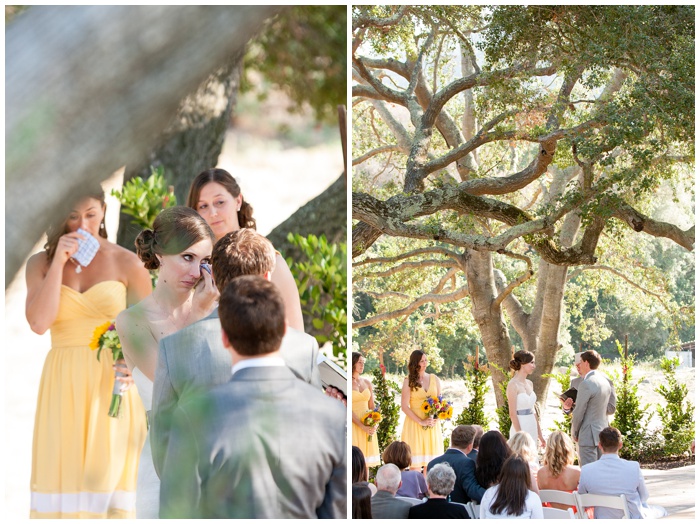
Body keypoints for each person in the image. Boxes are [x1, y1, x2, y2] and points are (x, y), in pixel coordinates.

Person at [159, 276, 346, 518]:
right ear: (283, 331)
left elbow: (176, 513)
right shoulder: (331, 414)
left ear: (224, 337)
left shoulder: (195, 415)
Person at [150, 228, 321, 477]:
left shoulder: (175, 347)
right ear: (267, 276)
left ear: (215, 278)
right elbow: (312, 437)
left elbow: (162, 444)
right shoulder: (302, 347)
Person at [26, 186, 152, 518]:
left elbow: (151, 332)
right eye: (72, 216)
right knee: (62, 479)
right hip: (62, 384)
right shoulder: (39, 264)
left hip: (111, 384)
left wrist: (131, 360)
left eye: (91, 215)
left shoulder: (128, 262)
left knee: (109, 484)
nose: (83, 225)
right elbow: (39, 323)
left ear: (104, 212)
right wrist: (58, 264)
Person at [115, 206, 218, 518]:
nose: (195, 271)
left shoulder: (219, 308)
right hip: (166, 462)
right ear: (159, 255)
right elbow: (176, 384)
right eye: (187, 257)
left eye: (204, 261)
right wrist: (198, 317)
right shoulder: (131, 321)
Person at [187, 167, 304, 331]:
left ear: (238, 201)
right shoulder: (191, 266)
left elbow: (296, 334)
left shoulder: (271, 262)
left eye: (220, 202)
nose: (213, 212)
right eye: (203, 206)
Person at [578, 426, 666, 519]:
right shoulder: (633, 467)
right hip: (631, 517)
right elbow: (644, 496)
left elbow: (583, 499)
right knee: (661, 510)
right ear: (620, 445)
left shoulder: (586, 470)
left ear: (600, 445)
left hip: (602, 518)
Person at [400, 349, 443, 468]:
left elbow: (440, 403)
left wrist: (436, 419)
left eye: (426, 360)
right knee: (415, 465)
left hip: (431, 425)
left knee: (432, 465)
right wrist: (421, 421)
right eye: (421, 361)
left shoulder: (435, 379)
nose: (425, 363)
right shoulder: (408, 381)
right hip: (415, 424)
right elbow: (404, 406)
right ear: (415, 363)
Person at [571, 349, 612, 466]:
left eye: (581, 361)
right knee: (601, 470)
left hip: (587, 434)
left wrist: (575, 431)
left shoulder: (586, 383)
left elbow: (579, 411)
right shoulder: (605, 382)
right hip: (602, 432)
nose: (579, 365)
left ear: (586, 363)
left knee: (587, 471)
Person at [427, 425, 485, 504]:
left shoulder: (432, 463)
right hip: (459, 511)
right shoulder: (466, 463)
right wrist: (494, 495)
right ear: (470, 446)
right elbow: (472, 490)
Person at [479, 455, 544, 519]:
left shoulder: (488, 493)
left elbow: (482, 517)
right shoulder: (532, 498)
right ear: (526, 476)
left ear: (503, 473)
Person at [506, 350, 545, 448]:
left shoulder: (530, 383)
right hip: (519, 425)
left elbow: (533, 411)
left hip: (532, 425)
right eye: (531, 362)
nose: (534, 366)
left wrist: (540, 435)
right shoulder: (512, 385)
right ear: (523, 364)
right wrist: (520, 435)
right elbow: (512, 414)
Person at [537, 431, 582, 513]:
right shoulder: (577, 473)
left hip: (550, 517)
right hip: (573, 517)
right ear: (568, 448)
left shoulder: (540, 473)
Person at [561, 352, 616, 416]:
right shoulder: (575, 382)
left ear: (587, 364)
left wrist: (586, 405)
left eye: (580, 365)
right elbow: (569, 411)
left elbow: (611, 409)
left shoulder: (606, 382)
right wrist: (566, 408)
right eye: (576, 366)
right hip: (578, 425)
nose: (578, 368)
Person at [351, 352, 380, 466]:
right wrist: (361, 426)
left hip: (368, 425)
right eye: (359, 362)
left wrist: (374, 424)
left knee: (366, 463)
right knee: (355, 462)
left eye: (363, 362)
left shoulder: (367, 383)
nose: (362, 365)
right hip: (355, 425)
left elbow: (372, 407)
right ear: (353, 362)